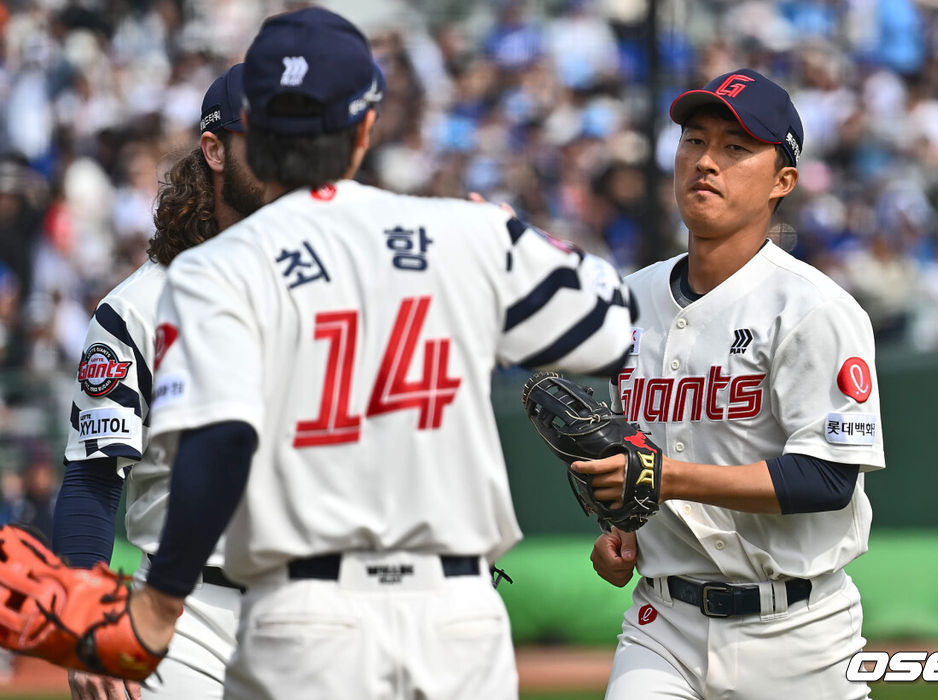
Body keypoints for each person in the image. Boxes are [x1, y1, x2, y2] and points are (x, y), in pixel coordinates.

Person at [122, 7, 636, 700]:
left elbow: (219, 443)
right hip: (457, 619)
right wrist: (520, 237)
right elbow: (613, 327)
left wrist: (158, 603)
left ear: (257, 134)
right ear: (365, 129)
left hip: (303, 622)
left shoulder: (214, 271)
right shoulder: (468, 234)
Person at [579, 69, 886, 699]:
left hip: (799, 631)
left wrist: (664, 477)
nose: (705, 162)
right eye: (694, 140)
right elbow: (642, 452)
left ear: (783, 182)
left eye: (736, 148)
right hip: (662, 622)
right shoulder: (631, 298)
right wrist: (625, 524)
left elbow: (826, 479)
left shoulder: (813, 308)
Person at [50, 63, 265, 700]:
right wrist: (83, 623)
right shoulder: (139, 309)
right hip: (192, 618)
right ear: (215, 149)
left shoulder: (346, 287)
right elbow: (92, 477)